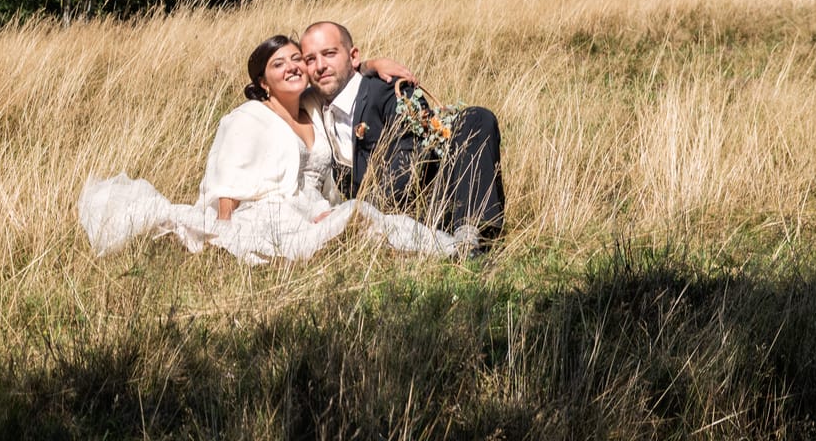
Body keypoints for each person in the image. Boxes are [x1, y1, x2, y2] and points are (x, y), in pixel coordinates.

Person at [80, 35, 465, 264]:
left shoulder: (311, 105)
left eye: (297, 60)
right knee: (356, 217)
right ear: (263, 82)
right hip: (268, 210)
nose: (293, 67)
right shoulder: (248, 117)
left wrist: (373, 63)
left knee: (363, 219)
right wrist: (224, 232)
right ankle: (446, 250)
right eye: (279, 64)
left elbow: (338, 75)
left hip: (312, 204)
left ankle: (447, 248)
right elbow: (226, 182)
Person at [299, 20, 505, 249]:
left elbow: (410, 157)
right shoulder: (310, 104)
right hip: (379, 222)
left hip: (432, 202)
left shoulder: (388, 90)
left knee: (476, 118)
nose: (320, 66)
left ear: (353, 56)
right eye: (310, 59)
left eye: (329, 54)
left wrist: (352, 210)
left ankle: (470, 236)